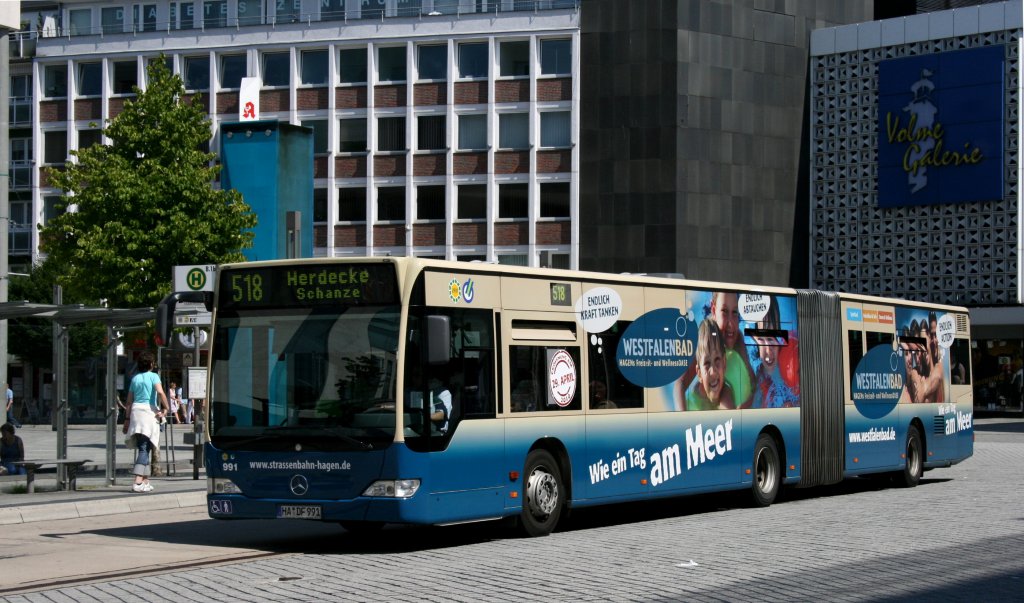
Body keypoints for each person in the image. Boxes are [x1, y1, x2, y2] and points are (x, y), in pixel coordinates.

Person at [123, 351, 169, 493]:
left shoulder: (135, 378)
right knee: (144, 448)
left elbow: (129, 401)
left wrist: (126, 420)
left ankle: (145, 481)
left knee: (144, 446)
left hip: (136, 413)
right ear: (150, 364)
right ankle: (137, 481)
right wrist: (166, 407)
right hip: (148, 413)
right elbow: (160, 392)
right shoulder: (154, 376)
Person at [751, 298, 800, 408]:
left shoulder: (790, 365)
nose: (768, 350)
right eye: (762, 340)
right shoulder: (756, 375)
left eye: (772, 338)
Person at [685, 318, 736, 411]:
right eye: (707, 363)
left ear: (724, 364)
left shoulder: (727, 393)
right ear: (699, 373)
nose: (712, 372)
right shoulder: (692, 401)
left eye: (717, 359)